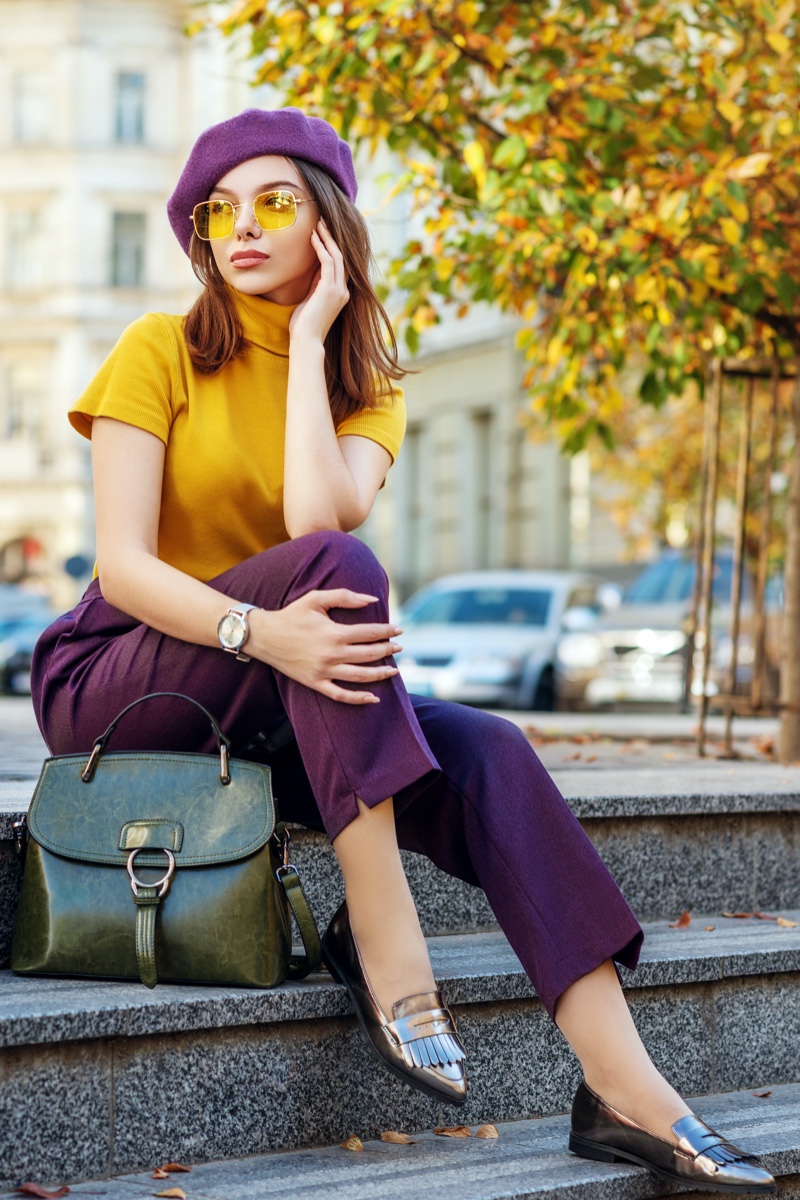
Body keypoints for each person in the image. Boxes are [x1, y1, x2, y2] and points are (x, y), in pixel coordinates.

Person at [31, 108, 774, 1196]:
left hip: (276, 697)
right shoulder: (158, 350)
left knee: (488, 751)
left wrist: (308, 343)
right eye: (216, 212)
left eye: (273, 204)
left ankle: (628, 1093)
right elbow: (131, 567)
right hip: (123, 678)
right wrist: (258, 630)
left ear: (327, 226)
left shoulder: (362, 385)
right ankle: (388, 948)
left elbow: (306, 509)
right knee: (336, 571)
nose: (240, 228)